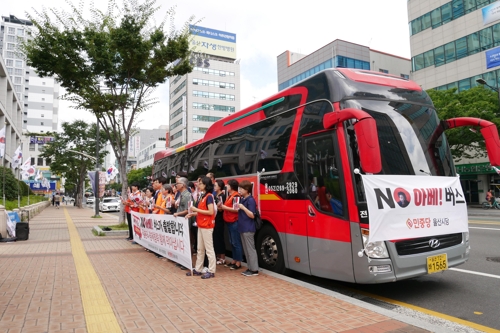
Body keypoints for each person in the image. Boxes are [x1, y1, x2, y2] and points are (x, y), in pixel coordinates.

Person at [186, 176, 216, 279]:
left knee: (209, 249)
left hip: (207, 225)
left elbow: (211, 212)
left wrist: (196, 210)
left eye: (201, 183)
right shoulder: (203, 196)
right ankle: (198, 269)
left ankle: (211, 271)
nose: (198, 185)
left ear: (206, 185)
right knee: (200, 249)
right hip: (201, 224)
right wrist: (193, 214)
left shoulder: (209, 196)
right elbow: (203, 211)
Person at [237, 180, 259, 276]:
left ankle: (254, 269)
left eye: (241, 189)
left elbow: (252, 215)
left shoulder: (250, 200)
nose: (240, 190)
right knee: (246, 249)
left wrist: (243, 208)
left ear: (247, 190)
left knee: (250, 249)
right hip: (243, 227)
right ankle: (250, 268)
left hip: (248, 228)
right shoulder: (243, 199)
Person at [220, 179, 243, 270]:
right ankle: (234, 260)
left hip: (234, 221)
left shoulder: (236, 196)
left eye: (228, 185)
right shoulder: (230, 196)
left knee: (236, 242)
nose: (226, 186)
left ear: (231, 186)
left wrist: (224, 207)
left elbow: (236, 209)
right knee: (232, 242)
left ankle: (238, 262)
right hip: (229, 221)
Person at [213, 179, 226, 265]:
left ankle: (222, 257)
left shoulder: (222, 196)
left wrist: (215, 207)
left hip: (220, 219)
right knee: (216, 238)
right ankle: (218, 255)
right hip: (215, 219)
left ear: (220, 187)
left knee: (220, 237)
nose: (214, 187)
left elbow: (221, 209)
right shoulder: (215, 195)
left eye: (215, 185)